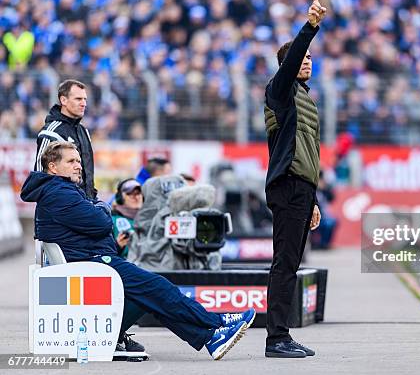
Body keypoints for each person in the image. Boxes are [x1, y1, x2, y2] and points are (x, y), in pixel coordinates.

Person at [21, 142, 255, 360]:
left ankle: (212, 335)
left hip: (90, 262)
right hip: (90, 265)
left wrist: (97, 209)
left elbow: (96, 222)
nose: (78, 165)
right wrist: (102, 206)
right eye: (71, 161)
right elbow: (103, 223)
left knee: (150, 293)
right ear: (52, 166)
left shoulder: (58, 190)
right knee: (158, 287)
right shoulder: (58, 193)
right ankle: (215, 325)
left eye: (78, 161)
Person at [262, 0, 326, 358]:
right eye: (300, 57)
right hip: (287, 187)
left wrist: (314, 197)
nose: (307, 62)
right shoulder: (281, 91)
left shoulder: (305, 98)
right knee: (284, 263)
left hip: (301, 188)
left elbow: (308, 154)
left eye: (310, 58)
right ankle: (276, 338)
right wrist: (310, 27)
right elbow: (294, 154)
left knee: (291, 263)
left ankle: (282, 334)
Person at [34, 79, 97, 199]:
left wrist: (92, 199)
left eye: (85, 99)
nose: (84, 103)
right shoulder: (51, 132)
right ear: (63, 100)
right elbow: (40, 177)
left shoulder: (83, 131)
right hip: (62, 207)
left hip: (83, 203)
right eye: (78, 99)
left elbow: (87, 175)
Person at [112, 178, 143, 259]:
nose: (136, 197)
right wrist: (117, 246)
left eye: (138, 193)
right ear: (120, 198)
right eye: (130, 194)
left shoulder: (151, 219)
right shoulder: (112, 220)